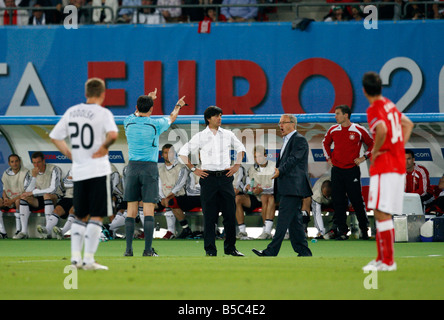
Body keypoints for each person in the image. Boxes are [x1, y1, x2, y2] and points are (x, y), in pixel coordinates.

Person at [50, 77, 119, 270]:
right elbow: (113, 134)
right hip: (98, 170)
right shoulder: (103, 113)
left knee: (80, 215)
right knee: (97, 216)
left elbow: (55, 136)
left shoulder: (72, 112)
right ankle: (88, 259)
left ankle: (74, 258)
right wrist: (104, 146)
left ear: (86, 93)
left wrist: (68, 153)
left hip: (79, 171)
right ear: (103, 94)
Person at [123, 89, 185, 257]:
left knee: (131, 211)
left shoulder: (127, 122)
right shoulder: (156, 124)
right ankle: (147, 250)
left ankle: (128, 250)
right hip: (149, 168)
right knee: (149, 210)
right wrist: (178, 105)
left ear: (136, 107)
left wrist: (149, 99)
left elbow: (136, 113)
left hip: (132, 168)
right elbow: (172, 117)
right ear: (151, 110)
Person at [362, 71, 414, 272]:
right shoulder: (389, 104)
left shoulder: (374, 108)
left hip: (385, 165)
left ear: (365, 90)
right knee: (380, 211)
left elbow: (381, 129)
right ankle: (381, 258)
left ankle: (388, 261)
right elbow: (408, 124)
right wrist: (398, 146)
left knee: (381, 212)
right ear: (381, 88)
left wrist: (376, 150)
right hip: (396, 163)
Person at [178, 105, 246, 257]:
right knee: (209, 216)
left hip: (225, 177)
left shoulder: (228, 134)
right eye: (216, 116)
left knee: (229, 215)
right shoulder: (200, 136)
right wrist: (193, 168)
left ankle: (230, 248)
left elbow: (241, 148)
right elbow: (182, 152)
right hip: (207, 178)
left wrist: (237, 165)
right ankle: (210, 250)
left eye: (221, 115)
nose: (219, 118)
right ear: (208, 119)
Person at [252, 114, 312, 257]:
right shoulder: (289, 140)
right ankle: (304, 251)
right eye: (279, 123)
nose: (280, 126)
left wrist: (280, 171)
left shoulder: (299, 140)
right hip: (289, 186)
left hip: (294, 187)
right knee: (294, 222)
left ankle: (271, 251)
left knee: (283, 220)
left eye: (283, 123)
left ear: (292, 124)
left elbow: (293, 159)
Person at [322, 104, 374, 240]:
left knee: (357, 201)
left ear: (346, 115)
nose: (335, 116)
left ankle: (364, 230)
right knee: (338, 202)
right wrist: (328, 158)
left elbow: (373, 144)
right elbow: (325, 143)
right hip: (337, 171)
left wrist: (364, 157)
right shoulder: (333, 129)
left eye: (337, 113)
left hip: (352, 171)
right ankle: (342, 232)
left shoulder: (358, 129)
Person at [14, 151, 63, 239]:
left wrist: (33, 192)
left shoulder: (54, 169)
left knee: (47, 195)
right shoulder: (30, 172)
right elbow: (27, 190)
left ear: (44, 161)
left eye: (39, 162)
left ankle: (48, 231)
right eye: (34, 163)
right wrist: (34, 177)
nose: (36, 165)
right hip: (38, 198)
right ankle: (24, 232)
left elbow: (53, 189)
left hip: (55, 197)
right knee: (23, 198)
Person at [236, 145, 275, 240]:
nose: (257, 159)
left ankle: (267, 231)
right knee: (237, 199)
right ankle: (242, 231)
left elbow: (275, 187)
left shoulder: (274, 167)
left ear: (266, 156)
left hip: (271, 197)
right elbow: (248, 186)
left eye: (260, 156)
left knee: (266, 196)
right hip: (255, 197)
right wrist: (247, 187)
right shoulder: (251, 169)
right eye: (255, 157)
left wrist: (262, 190)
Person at [157, 143, 189, 239]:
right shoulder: (159, 169)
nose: (168, 155)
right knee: (144, 204)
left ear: (174, 153)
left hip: (180, 197)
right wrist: (162, 197)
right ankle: (146, 232)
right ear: (162, 155)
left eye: (170, 152)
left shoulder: (181, 167)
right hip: (164, 197)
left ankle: (180, 230)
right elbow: (159, 186)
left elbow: (179, 185)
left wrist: (167, 197)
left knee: (171, 202)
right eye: (165, 153)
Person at [0, 154, 31, 238]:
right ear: (9, 163)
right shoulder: (6, 173)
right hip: (9, 199)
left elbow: (25, 193)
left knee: (18, 201)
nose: (15, 163)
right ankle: (2, 232)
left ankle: (18, 230)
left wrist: (11, 201)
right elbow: (4, 190)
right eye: (12, 162)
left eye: (16, 161)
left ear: (20, 161)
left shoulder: (26, 173)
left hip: (20, 198)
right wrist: (5, 198)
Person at [52, 169, 75, 240]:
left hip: (84, 197)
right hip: (69, 197)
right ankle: (47, 230)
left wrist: (72, 180)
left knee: (73, 210)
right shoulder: (73, 169)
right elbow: (66, 184)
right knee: (57, 210)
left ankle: (62, 232)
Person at [310, 172, 332, 238]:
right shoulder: (316, 194)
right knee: (316, 211)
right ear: (322, 190)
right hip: (320, 200)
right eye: (326, 195)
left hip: (334, 199)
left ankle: (338, 230)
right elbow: (317, 214)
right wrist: (321, 232)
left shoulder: (337, 185)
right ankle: (321, 231)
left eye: (328, 195)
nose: (327, 197)